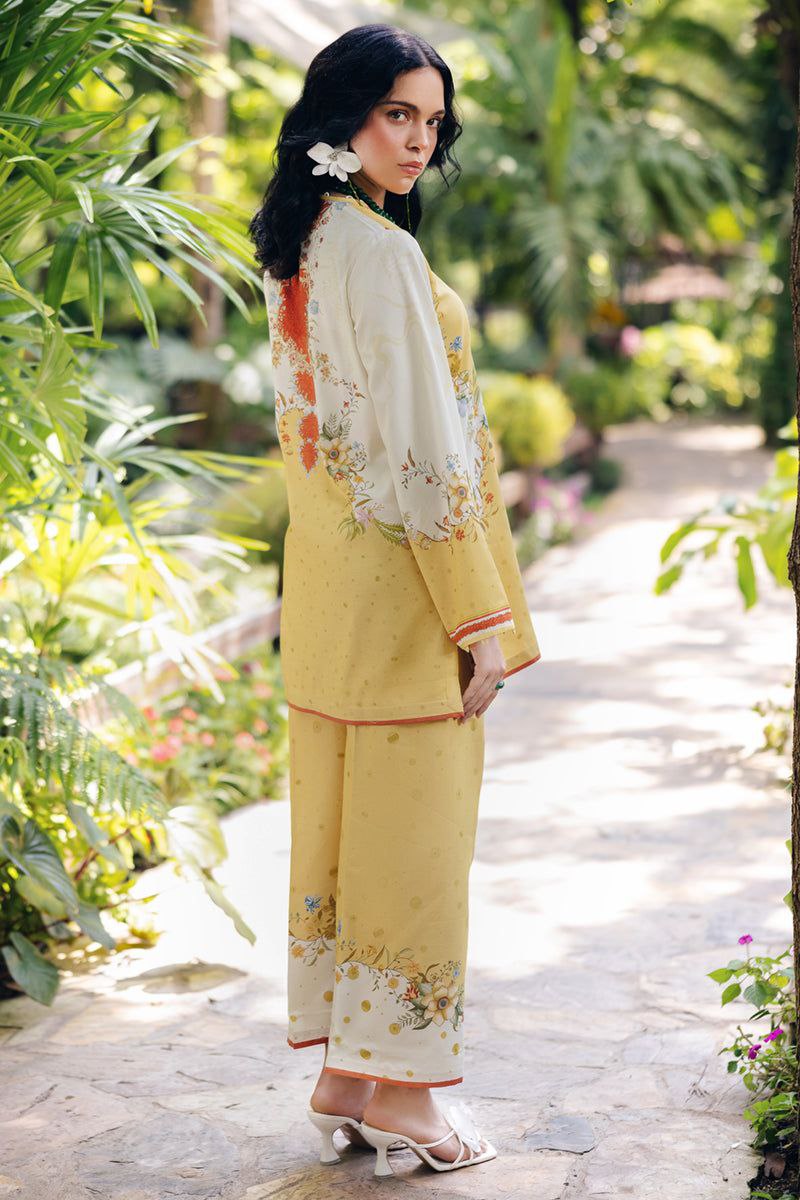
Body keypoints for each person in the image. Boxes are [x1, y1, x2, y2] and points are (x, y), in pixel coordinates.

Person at [248, 22, 542, 1176]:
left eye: (430, 121)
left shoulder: (300, 241)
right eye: (396, 115)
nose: (419, 140)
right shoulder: (376, 252)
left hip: (330, 600)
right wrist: (478, 618)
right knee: (415, 850)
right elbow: (424, 452)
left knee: (348, 842)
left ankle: (345, 1076)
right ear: (344, 118)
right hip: (408, 595)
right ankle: (407, 1100)